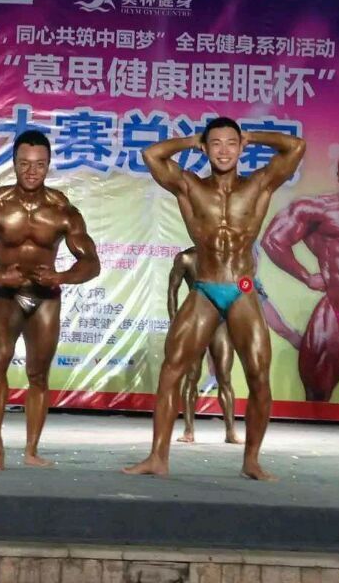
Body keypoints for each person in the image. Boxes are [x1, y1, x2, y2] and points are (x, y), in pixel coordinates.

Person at [124, 117, 305, 480]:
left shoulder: (259, 184)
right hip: (205, 287)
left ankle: (251, 460)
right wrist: (192, 140)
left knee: (258, 376)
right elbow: (152, 155)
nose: (224, 150)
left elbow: (296, 147)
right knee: (172, 371)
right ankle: (158, 457)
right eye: (216, 144)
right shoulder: (190, 186)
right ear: (206, 149)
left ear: (241, 148)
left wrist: (252, 135)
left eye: (231, 143)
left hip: (241, 289)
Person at [0, 130, 100, 471]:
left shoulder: (62, 210)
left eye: (39, 164)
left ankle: (32, 450)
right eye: (24, 164)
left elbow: (91, 262)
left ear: (48, 165)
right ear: (14, 164)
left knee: (38, 373)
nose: (31, 171)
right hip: (6, 294)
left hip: (45, 298)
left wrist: (62, 277)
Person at [262, 147, 339, 404]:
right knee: (316, 388)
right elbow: (273, 240)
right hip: (332, 305)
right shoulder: (315, 208)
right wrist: (305, 276)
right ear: (338, 175)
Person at [168, 247, 241, 445]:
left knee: (225, 376)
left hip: (220, 321)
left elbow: (239, 287)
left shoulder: (226, 257)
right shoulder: (186, 258)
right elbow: (172, 290)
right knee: (192, 377)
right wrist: (174, 323)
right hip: (196, 320)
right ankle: (189, 430)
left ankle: (231, 431)